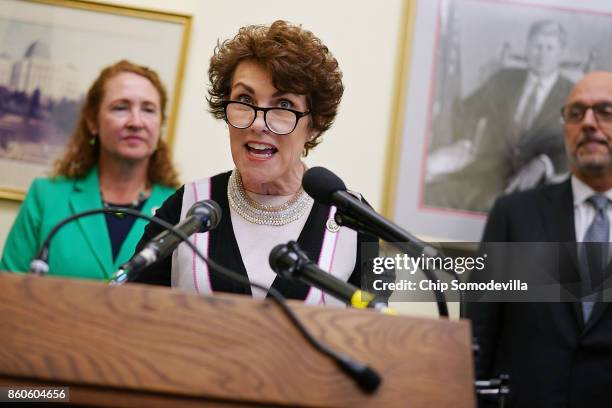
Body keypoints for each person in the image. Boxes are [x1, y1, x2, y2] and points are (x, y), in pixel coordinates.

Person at [129, 21, 388, 306]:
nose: (258, 123)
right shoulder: (187, 207)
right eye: (244, 99)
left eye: (284, 105)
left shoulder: (356, 220)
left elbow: (374, 335)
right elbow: (133, 311)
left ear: (315, 124)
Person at [468, 71, 612, 407]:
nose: (588, 123)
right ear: (565, 128)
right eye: (576, 113)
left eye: (605, 111)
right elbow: (479, 333)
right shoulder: (514, 216)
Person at [0, 60, 179, 280]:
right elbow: (7, 293)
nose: (136, 122)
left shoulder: (179, 206)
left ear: (159, 124)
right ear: (93, 121)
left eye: (148, 109)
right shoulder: (46, 196)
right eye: (121, 108)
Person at [425, 20, 575, 213]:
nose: (542, 54)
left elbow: (578, 144)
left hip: (537, 187)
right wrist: (465, 140)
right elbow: (466, 110)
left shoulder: (573, 94)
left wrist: (545, 163)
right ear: (527, 48)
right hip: (485, 175)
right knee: (431, 195)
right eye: (536, 46)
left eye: (549, 48)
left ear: (561, 53)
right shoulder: (504, 79)